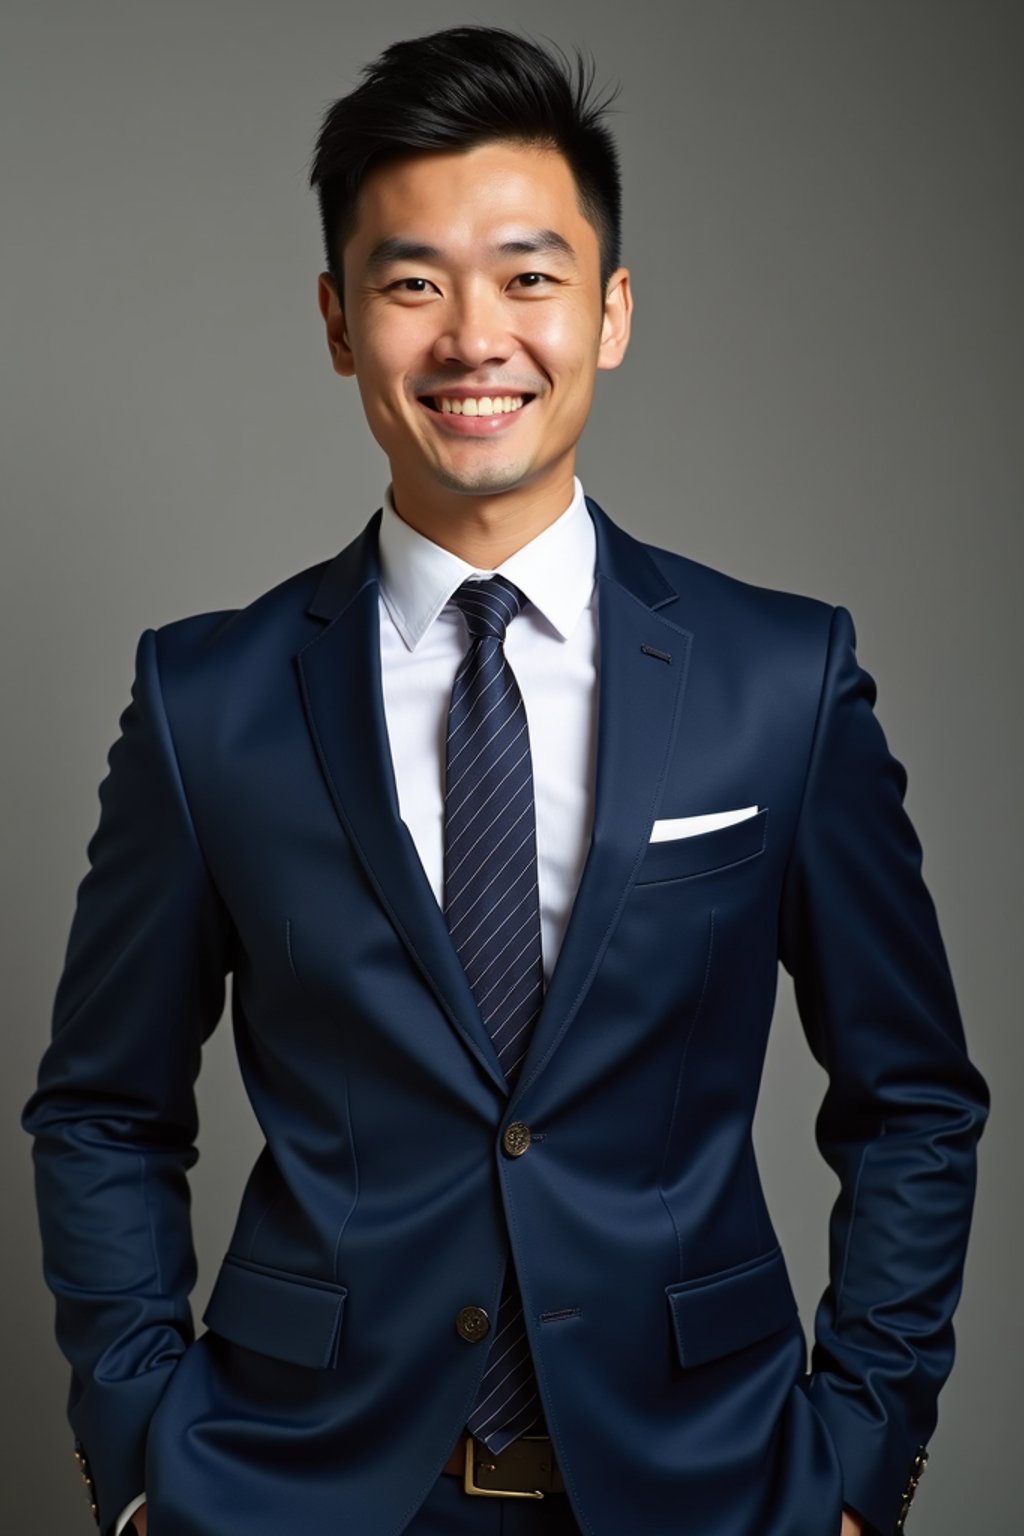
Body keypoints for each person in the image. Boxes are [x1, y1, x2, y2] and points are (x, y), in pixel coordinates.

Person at [24, 24, 988, 1536]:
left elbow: (914, 1101)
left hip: (710, 1486)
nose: (476, 337)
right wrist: (143, 1449)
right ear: (340, 323)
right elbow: (104, 1111)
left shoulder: (779, 682)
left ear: (609, 312)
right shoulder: (206, 699)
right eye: (415, 283)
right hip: (297, 1490)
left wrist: (861, 1459)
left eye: (530, 277)